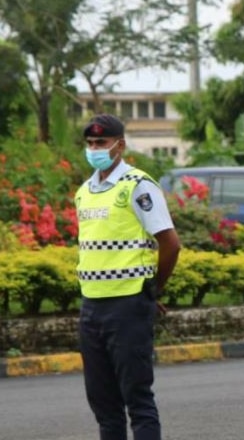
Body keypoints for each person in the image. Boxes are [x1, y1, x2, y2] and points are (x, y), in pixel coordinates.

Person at [75, 114, 181, 440]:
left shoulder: (138, 186)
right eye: (90, 143)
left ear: (119, 145)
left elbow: (171, 244)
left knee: (137, 401)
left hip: (128, 306)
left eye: (101, 143)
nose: (94, 149)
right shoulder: (84, 192)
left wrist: (153, 292)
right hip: (91, 307)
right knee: (104, 407)